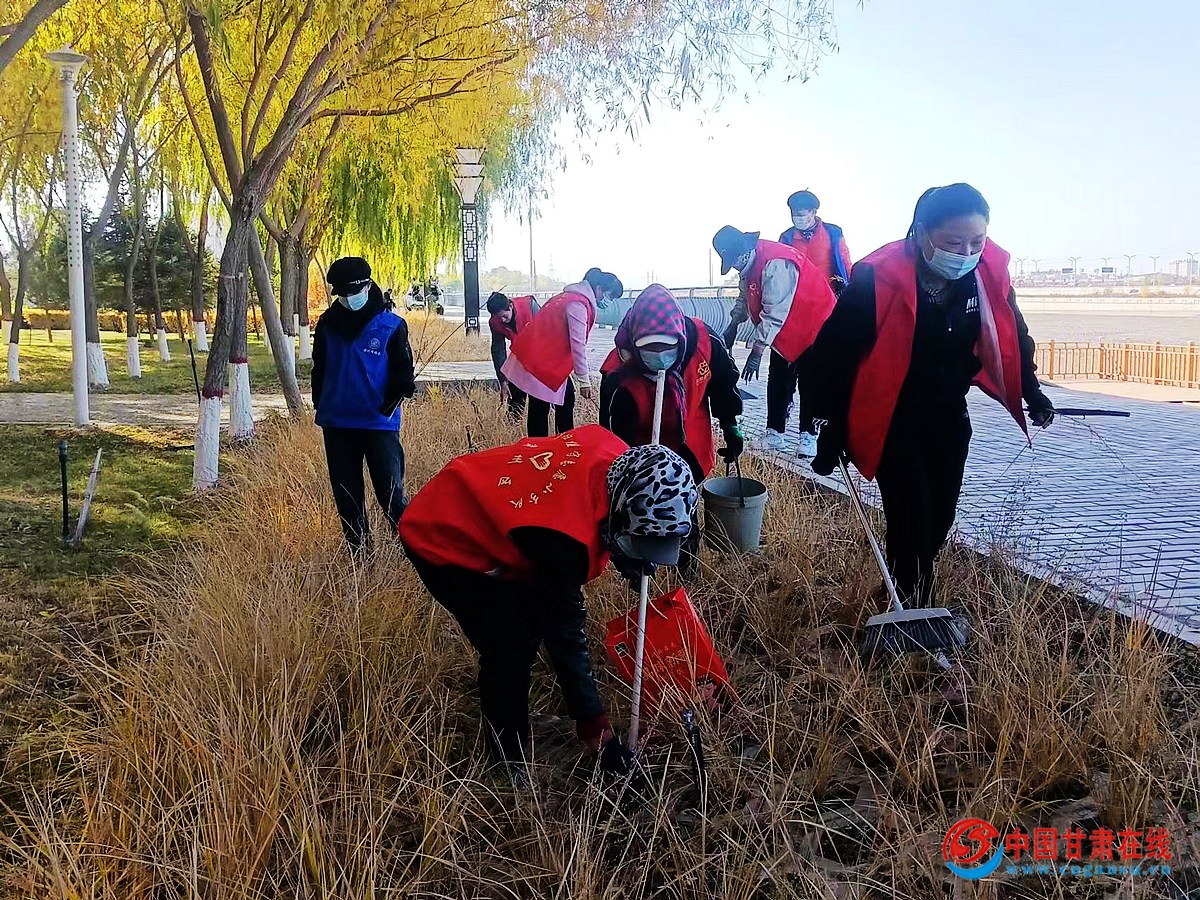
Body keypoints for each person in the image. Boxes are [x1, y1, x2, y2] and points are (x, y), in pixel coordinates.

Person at [806, 183, 1056, 607]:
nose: (966, 252)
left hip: (948, 413)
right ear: (923, 234)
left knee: (939, 517)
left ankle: (904, 588)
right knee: (912, 516)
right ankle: (915, 608)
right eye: (954, 243)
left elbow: (1013, 335)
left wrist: (1032, 392)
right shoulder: (878, 276)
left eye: (977, 241)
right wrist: (828, 421)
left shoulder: (987, 274)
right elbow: (832, 353)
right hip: (891, 415)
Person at [399, 427, 698, 774]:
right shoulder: (562, 538)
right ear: (620, 511)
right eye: (636, 538)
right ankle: (506, 758)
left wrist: (631, 554)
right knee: (509, 645)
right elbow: (565, 633)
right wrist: (596, 730)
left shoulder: (617, 456)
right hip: (443, 532)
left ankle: (515, 714)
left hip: (499, 511)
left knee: (528, 622)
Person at [599, 285, 743, 574]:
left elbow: (723, 385)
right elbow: (613, 438)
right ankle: (642, 564)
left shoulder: (703, 343)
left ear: (680, 338)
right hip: (642, 450)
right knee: (646, 510)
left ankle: (685, 569)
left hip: (690, 441)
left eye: (667, 348)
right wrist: (632, 480)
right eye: (649, 349)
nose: (660, 356)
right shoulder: (619, 374)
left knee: (684, 505)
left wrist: (730, 426)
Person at [312, 256, 415, 552]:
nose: (349, 298)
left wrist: (395, 397)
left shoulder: (391, 326)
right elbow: (320, 368)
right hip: (337, 424)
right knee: (347, 497)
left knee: (391, 494)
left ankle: (411, 550)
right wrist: (321, 402)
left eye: (353, 291)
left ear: (368, 286)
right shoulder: (327, 325)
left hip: (378, 424)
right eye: (342, 293)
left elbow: (402, 373)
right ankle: (360, 556)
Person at [711, 226, 838, 454]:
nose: (736, 266)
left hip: (815, 324)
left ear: (745, 250)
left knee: (809, 382)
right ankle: (774, 434)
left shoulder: (775, 263)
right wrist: (733, 324)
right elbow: (746, 296)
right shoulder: (749, 264)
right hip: (785, 328)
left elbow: (774, 312)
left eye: (736, 260)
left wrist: (757, 351)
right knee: (778, 379)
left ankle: (808, 437)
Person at [774, 190, 854, 455]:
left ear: (813, 213)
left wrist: (849, 295)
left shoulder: (832, 233)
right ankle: (777, 426)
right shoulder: (787, 237)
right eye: (793, 213)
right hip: (793, 313)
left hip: (824, 315)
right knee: (783, 373)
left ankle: (808, 435)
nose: (797, 217)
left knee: (814, 377)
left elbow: (845, 265)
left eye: (802, 213)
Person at [503, 268, 624, 437]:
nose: (608, 301)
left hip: (540, 358)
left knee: (564, 401)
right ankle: (541, 447)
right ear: (598, 288)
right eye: (609, 296)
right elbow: (578, 345)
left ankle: (562, 442)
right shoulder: (578, 305)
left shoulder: (566, 297)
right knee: (541, 408)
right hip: (540, 363)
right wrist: (584, 381)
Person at [487, 291, 540, 421]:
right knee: (514, 394)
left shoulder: (529, 306)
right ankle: (513, 423)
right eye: (499, 318)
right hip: (519, 356)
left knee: (540, 399)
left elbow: (548, 331)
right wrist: (503, 380)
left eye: (504, 316)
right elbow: (498, 350)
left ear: (510, 306)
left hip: (540, 355)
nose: (502, 320)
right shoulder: (495, 322)